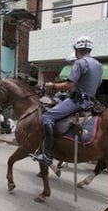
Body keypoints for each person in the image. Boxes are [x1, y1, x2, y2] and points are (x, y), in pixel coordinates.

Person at [34, 36, 103, 166]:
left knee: (47, 117)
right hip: (91, 102)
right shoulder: (98, 65)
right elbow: (98, 84)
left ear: (76, 49)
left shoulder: (80, 62)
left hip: (78, 102)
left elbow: (69, 85)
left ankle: (47, 156)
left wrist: (52, 85)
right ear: (90, 49)